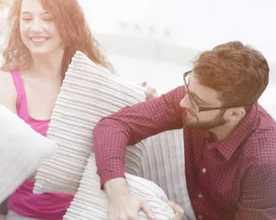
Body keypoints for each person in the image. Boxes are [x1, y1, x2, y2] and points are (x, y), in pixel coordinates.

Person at [0, 0, 156, 220]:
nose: (35, 28)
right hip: (28, 215)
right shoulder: (2, 84)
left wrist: (140, 101)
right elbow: (24, 159)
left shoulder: (96, 78)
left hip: (88, 211)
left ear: (67, 24)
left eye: (48, 18)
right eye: (27, 18)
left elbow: (119, 144)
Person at [93, 41, 276, 220]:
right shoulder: (192, 99)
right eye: (188, 88)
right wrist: (119, 195)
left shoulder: (265, 163)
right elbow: (115, 125)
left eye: (197, 102)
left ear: (234, 114)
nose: (183, 103)